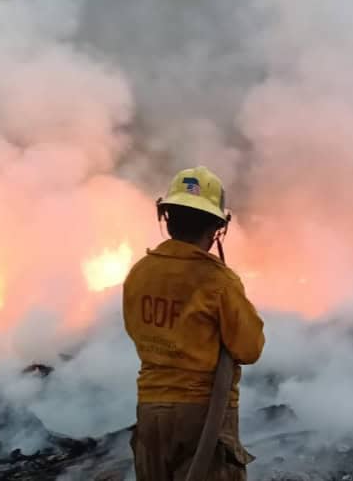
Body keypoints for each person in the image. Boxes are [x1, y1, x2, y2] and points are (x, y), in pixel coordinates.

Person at [122, 166, 266, 481]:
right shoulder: (218, 281)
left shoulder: (139, 272)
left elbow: (135, 329)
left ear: (167, 219)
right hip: (203, 416)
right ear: (217, 228)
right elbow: (250, 348)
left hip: (150, 414)